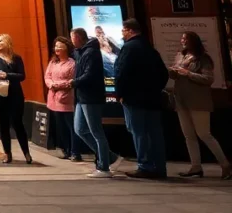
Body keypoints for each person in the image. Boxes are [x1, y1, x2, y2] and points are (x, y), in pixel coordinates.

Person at [169, 31, 230, 179]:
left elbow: (208, 79)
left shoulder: (203, 59)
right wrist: (173, 72)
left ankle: (226, 165)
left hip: (198, 101)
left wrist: (187, 73)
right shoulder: (180, 55)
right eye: (182, 38)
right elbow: (177, 74)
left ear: (193, 41)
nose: (182, 41)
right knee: (188, 135)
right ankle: (195, 167)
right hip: (181, 99)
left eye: (185, 39)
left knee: (204, 134)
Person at [114, 18, 169, 179]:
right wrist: (155, 89)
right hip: (152, 98)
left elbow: (121, 72)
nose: (122, 33)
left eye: (123, 30)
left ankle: (145, 165)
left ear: (130, 30)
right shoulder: (150, 48)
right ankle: (159, 167)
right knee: (155, 133)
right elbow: (163, 73)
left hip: (134, 98)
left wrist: (120, 94)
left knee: (138, 132)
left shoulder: (129, 48)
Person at [70, 27, 120, 177]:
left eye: (72, 37)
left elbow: (90, 74)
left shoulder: (91, 52)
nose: (72, 41)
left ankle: (104, 167)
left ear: (78, 37)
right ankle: (110, 157)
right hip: (81, 96)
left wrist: (74, 82)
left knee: (96, 131)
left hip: (91, 97)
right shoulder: (81, 52)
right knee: (80, 129)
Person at [0, 34, 32, 165]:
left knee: (18, 123)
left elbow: (22, 76)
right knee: (3, 125)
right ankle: (7, 153)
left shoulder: (16, 58)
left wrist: (7, 75)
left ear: (8, 43)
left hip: (15, 95)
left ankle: (26, 153)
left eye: (1, 41)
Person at [44, 36, 79, 161]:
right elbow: (47, 76)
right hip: (53, 98)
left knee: (71, 126)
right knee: (60, 127)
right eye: (56, 46)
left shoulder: (72, 63)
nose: (57, 48)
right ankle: (66, 150)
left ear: (66, 48)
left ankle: (75, 151)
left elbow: (71, 81)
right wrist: (51, 84)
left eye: (60, 46)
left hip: (66, 98)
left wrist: (56, 85)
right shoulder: (53, 62)